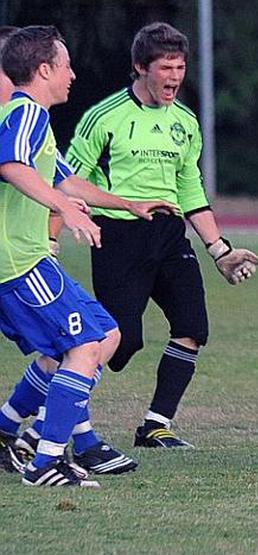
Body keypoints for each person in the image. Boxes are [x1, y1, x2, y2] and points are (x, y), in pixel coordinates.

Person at [64, 22, 258, 449]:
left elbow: (190, 188)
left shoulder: (185, 122)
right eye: (166, 67)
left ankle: (155, 424)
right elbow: (67, 180)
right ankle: (57, 406)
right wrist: (67, 230)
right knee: (122, 341)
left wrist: (218, 249)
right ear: (140, 67)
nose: (174, 76)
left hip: (170, 236)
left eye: (181, 67)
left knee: (192, 326)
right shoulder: (105, 117)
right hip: (117, 236)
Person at [0, 26, 179, 478]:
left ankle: (12, 429)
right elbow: (11, 166)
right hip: (19, 264)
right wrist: (63, 209)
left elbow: (67, 180)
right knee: (83, 346)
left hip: (29, 261)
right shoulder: (25, 113)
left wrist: (129, 204)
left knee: (104, 335)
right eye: (65, 65)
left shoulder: (33, 120)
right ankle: (47, 458)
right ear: (44, 70)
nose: (73, 75)